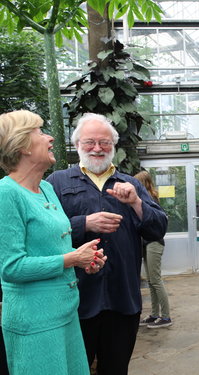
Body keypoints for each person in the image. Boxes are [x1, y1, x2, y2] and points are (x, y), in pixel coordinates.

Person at [46, 113, 168, 375]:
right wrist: (83, 224)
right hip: (77, 299)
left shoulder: (130, 183)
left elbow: (158, 228)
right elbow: (44, 235)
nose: (98, 148)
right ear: (77, 144)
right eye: (90, 142)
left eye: (105, 143)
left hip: (122, 297)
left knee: (116, 367)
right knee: (73, 368)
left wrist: (136, 203)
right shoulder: (56, 183)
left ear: (114, 147)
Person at [0, 110, 107, 374]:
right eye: (39, 132)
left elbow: (52, 249)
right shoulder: (6, 194)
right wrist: (71, 259)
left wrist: (83, 259)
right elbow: (11, 268)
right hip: (35, 322)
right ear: (22, 145)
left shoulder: (46, 188)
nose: (49, 138)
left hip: (66, 312)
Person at [134, 170, 172, 328]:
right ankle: (154, 314)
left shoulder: (151, 198)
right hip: (145, 243)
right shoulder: (142, 198)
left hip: (154, 242)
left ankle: (166, 317)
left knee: (155, 280)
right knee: (150, 280)